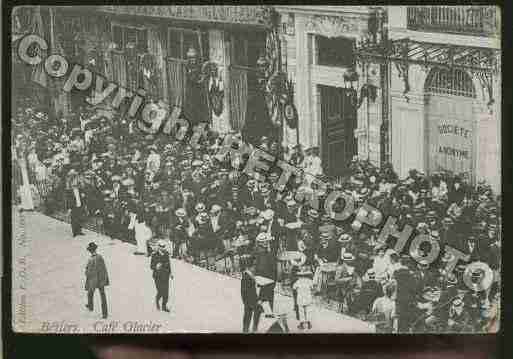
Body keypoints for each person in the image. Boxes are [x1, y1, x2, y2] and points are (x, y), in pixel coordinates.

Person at [85, 242, 109, 319]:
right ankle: (103, 312)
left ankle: (92, 307)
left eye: (90, 250)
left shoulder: (93, 259)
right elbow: (104, 269)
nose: (90, 252)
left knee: (92, 293)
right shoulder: (99, 257)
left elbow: (89, 271)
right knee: (100, 295)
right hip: (99, 280)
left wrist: (87, 272)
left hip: (95, 281)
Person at [150, 240, 173, 312]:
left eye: (163, 247)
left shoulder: (166, 254)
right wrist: (156, 266)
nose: (162, 248)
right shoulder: (154, 255)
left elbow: (168, 265)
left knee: (166, 293)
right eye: (160, 246)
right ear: (158, 246)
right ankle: (157, 301)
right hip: (157, 276)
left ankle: (164, 306)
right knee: (160, 291)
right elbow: (151, 266)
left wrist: (171, 273)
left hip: (165, 276)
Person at [240, 255, 259, 333]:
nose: (255, 268)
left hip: (252, 300)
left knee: (252, 314)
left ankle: (251, 329)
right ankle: (247, 330)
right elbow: (243, 291)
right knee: (248, 316)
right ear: (250, 267)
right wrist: (246, 302)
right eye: (254, 266)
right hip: (249, 301)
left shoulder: (250, 275)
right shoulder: (246, 276)